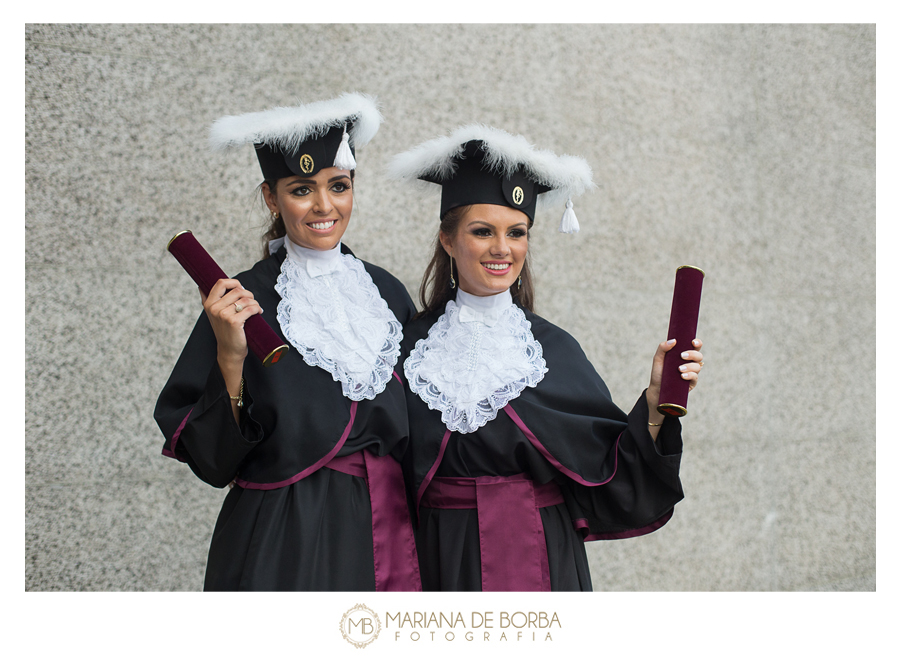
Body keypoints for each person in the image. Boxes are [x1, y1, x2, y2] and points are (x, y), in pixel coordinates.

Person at [388, 125, 704, 591]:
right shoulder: (406, 350)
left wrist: (656, 402)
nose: (502, 248)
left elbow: (615, 471)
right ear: (448, 239)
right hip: (439, 558)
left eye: (517, 233)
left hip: (541, 557)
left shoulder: (551, 350)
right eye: (482, 232)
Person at [155, 93, 421, 591]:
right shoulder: (241, 298)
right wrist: (230, 355)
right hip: (285, 529)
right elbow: (212, 461)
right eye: (302, 189)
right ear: (271, 198)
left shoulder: (386, 293)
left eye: (338, 186)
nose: (325, 206)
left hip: (389, 527)